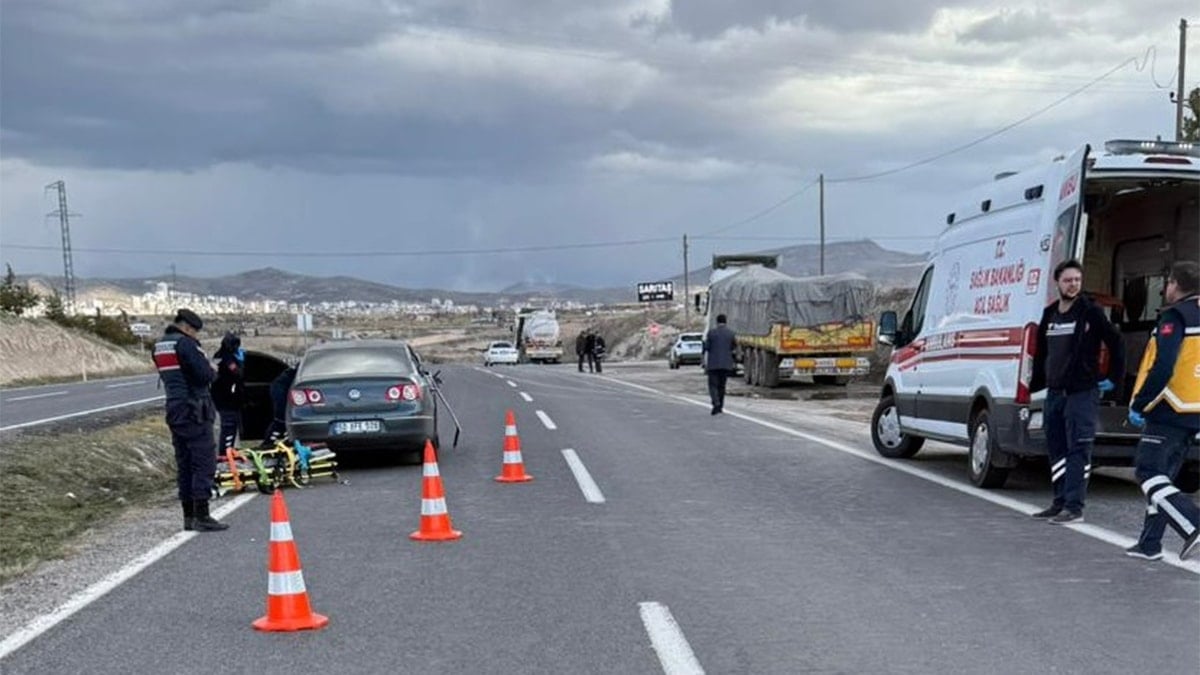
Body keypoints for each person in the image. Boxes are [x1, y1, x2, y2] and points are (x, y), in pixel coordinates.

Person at [1029, 259, 1125, 524]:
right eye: (1068, 280)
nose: (1073, 285)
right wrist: (1036, 383)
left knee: (1078, 449)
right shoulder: (1050, 314)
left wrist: (1113, 379)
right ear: (1057, 283)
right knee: (1056, 448)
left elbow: (1116, 341)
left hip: (1081, 392)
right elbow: (1042, 352)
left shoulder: (1090, 311)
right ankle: (1058, 502)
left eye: (1077, 280)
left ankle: (1074, 507)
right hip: (1055, 393)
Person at [1125, 261, 1200, 561]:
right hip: (1194, 408)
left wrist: (1141, 403)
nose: (1166, 288)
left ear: (1175, 284)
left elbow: (1163, 366)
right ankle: (1149, 544)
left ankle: (1193, 524)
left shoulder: (1176, 315)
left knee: (1148, 472)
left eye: (1168, 282)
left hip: (1169, 406)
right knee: (1163, 479)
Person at [152, 309, 228, 532]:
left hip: (174, 407)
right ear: (187, 327)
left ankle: (188, 516)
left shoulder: (159, 346)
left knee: (184, 463)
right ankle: (202, 515)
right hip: (194, 408)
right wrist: (213, 370)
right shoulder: (186, 344)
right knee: (203, 461)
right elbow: (204, 375)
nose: (195, 335)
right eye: (194, 331)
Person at [210, 332, 245, 455]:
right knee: (229, 424)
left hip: (220, 395)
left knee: (229, 424)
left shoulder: (218, 356)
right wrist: (241, 363)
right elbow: (237, 374)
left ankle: (228, 449)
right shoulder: (227, 358)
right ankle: (225, 451)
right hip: (227, 396)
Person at [703, 314, 737, 415]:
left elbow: (707, 347)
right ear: (726, 321)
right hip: (726, 364)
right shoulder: (731, 333)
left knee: (713, 385)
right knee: (722, 386)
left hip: (713, 364)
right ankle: (720, 406)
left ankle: (716, 402)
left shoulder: (711, 333)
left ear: (717, 322)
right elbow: (733, 347)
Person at [260, 364, 298, 447]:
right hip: (281, 388)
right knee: (281, 418)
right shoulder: (304, 366)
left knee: (286, 417)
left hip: (285, 388)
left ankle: (286, 438)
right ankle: (268, 442)